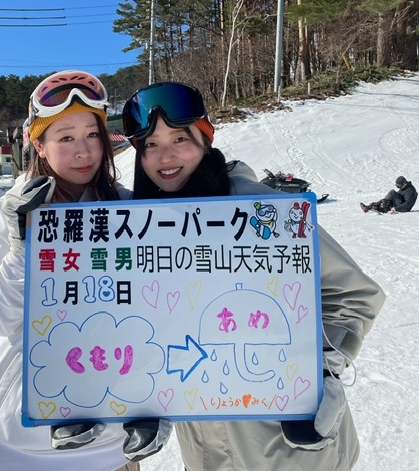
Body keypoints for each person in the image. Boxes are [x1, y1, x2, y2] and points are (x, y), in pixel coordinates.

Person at [122, 81, 387, 471]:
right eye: (151, 145)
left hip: (288, 446)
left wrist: (321, 373)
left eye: (180, 138)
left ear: (205, 140)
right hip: (209, 449)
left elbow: (354, 295)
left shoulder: (264, 212)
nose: (166, 156)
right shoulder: (148, 225)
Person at [0, 70, 170, 471]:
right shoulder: (10, 210)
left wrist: (161, 399)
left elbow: (160, 311)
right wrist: (24, 246)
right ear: (38, 145)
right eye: (65, 138)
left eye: (92, 135)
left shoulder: (131, 212)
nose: (84, 152)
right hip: (14, 441)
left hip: (108, 441)